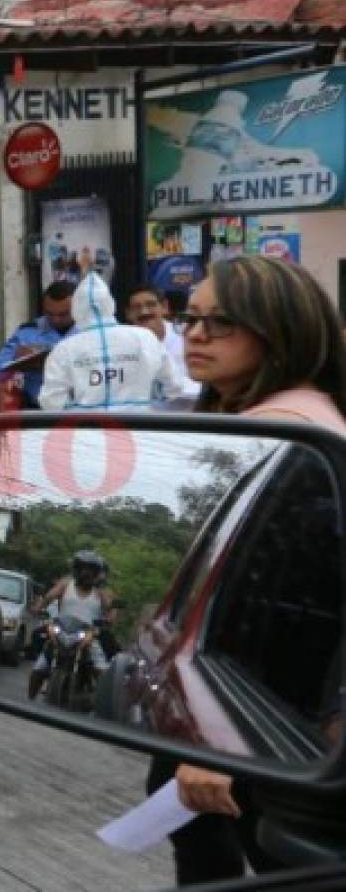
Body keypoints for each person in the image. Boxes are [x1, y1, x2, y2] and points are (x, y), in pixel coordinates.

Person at [148, 254, 346, 886]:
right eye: (190, 318)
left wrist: (218, 743)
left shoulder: (282, 430)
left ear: (279, 331)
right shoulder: (288, 415)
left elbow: (281, 601)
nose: (196, 335)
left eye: (222, 322)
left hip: (254, 721)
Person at [39, 271, 184, 411]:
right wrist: (145, 404)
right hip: (140, 428)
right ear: (110, 303)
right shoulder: (144, 338)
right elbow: (174, 387)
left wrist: (78, 410)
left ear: (76, 309)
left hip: (86, 431)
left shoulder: (64, 349)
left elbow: (51, 401)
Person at [27, 549, 114, 699]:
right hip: (61, 630)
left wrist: (108, 620)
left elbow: (111, 610)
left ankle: (99, 702)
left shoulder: (101, 592)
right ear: (77, 569)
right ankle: (29, 701)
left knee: (101, 670)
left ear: (96, 573)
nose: (86, 574)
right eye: (83, 569)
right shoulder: (66, 584)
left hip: (89, 635)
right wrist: (38, 608)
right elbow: (48, 598)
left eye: (91, 570)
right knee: (39, 667)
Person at [0, 280, 77, 408]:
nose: (56, 320)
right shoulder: (27, 333)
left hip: (84, 411)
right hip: (38, 413)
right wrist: (16, 362)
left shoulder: (93, 332)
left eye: (63, 314)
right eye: (49, 314)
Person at [125, 286, 200, 399]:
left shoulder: (187, 335)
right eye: (136, 307)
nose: (144, 312)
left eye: (151, 305)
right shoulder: (122, 343)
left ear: (165, 307)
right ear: (128, 314)